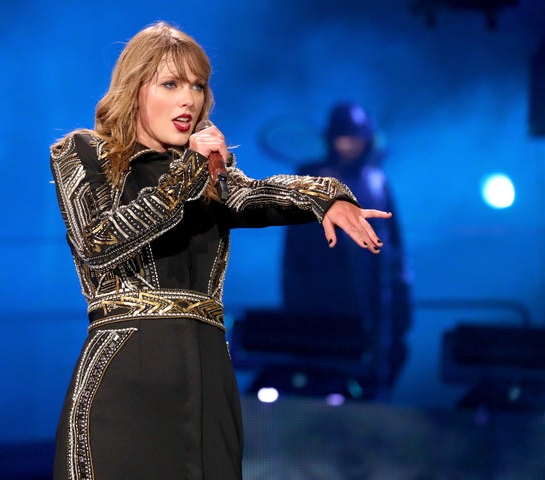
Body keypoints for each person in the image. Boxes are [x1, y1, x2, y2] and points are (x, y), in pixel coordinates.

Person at [49, 22, 392, 480]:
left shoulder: (209, 174)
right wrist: (190, 171)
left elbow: (254, 195)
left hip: (207, 374)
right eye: (170, 84)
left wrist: (326, 196)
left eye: (197, 85)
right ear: (135, 89)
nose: (188, 99)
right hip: (126, 374)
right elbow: (99, 244)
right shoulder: (82, 152)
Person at [281, 101, 413, 396]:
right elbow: (295, 251)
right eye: (345, 137)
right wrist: (294, 302)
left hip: (370, 300)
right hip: (320, 299)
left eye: (357, 138)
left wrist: (402, 303)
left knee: (375, 373)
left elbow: (395, 246)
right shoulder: (310, 177)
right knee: (319, 373)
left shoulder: (377, 181)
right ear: (331, 139)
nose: (351, 145)